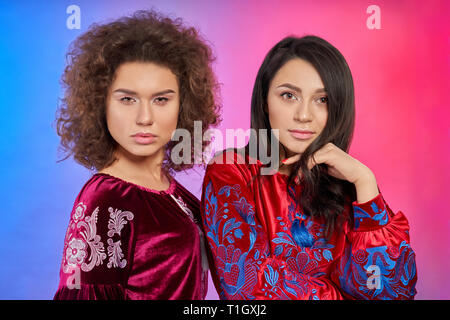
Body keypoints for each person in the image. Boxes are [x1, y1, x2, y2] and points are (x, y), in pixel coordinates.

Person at [200, 35, 417, 300]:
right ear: (265, 101)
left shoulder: (347, 185)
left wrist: (365, 181)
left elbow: (393, 292)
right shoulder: (232, 172)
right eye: (289, 95)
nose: (304, 115)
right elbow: (247, 287)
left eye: (322, 100)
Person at [53, 10, 220, 300]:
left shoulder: (172, 192)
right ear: (100, 103)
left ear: (184, 105)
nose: (145, 118)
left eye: (161, 99)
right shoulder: (106, 201)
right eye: (127, 99)